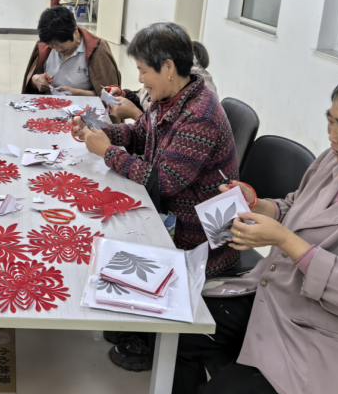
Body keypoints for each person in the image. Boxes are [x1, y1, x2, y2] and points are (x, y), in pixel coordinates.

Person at [171, 69, 338, 394]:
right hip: (276, 294)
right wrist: (259, 205)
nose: (332, 136)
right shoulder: (335, 161)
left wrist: (284, 240)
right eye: (330, 121)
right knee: (177, 330)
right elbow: (297, 206)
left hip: (325, 336)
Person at [72, 22, 237, 278]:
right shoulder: (170, 97)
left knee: (96, 252)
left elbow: (163, 182)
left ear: (168, 68)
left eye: (143, 71)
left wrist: (108, 152)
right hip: (167, 218)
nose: (140, 79)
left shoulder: (200, 116)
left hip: (196, 245)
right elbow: (141, 134)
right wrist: (99, 132)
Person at [22, 6, 120, 96]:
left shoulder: (97, 49)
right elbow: (31, 81)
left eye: (61, 45)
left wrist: (79, 94)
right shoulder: (45, 46)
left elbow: (111, 95)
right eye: (52, 45)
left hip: (84, 106)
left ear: (75, 31)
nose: (57, 50)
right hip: (49, 104)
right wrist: (35, 80)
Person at [110, 40, 219, 121]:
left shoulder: (198, 102)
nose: (141, 80)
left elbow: (163, 136)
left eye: (144, 71)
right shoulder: (169, 74)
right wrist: (124, 95)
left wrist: (135, 114)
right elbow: (144, 98)